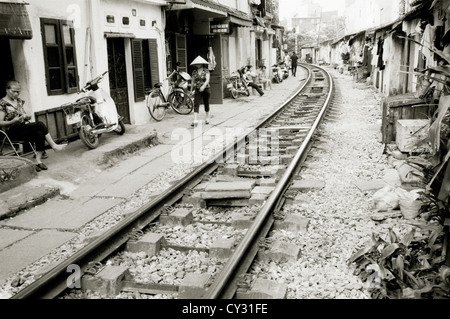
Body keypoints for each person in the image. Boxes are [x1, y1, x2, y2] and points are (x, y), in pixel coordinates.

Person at [0, 81, 67, 171]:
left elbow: (28, 114)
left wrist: (26, 116)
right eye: (13, 91)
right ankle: (54, 145)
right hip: (11, 131)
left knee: (39, 133)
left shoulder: (19, 101)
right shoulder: (2, 104)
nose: (16, 94)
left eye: (18, 92)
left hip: (23, 128)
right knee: (40, 124)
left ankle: (38, 161)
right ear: (7, 90)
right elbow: (0, 122)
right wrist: (12, 121)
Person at [190, 56, 211, 127]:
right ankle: (195, 119)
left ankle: (207, 117)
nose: (197, 65)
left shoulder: (206, 71)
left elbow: (207, 80)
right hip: (197, 89)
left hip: (206, 89)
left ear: (201, 64)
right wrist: (191, 90)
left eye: (198, 63)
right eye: (196, 64)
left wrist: (203, 86)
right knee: (196, 103)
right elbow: (192, 81)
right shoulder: (194, 72)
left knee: (206, 103)